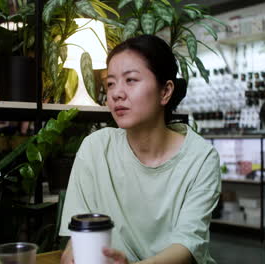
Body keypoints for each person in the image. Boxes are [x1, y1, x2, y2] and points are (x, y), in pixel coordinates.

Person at [59, 34, 221, 264]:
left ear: (165, 92)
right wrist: (74, 252)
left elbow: (187, 245)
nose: (116, 93)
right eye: (111, 83)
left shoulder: (200, 158)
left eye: (131, 80)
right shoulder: (95, 149)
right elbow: (80, 234)